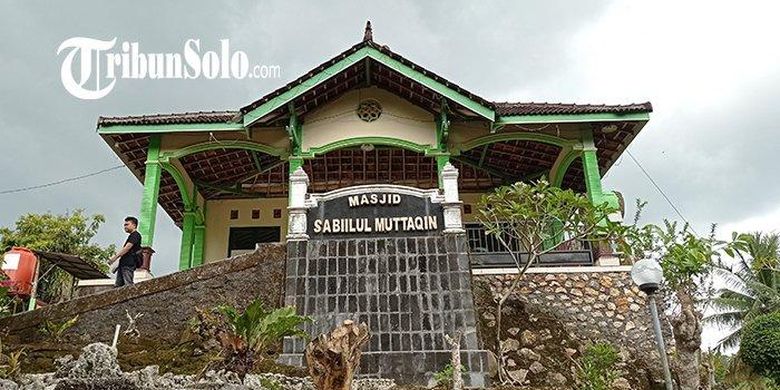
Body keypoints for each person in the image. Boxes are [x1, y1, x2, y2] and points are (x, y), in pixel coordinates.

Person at [109, 216, 142, 287]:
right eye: (124, 225)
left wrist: (115, 258)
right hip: (123, 264)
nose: (125, 227)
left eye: (127, 224)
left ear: (134, 225)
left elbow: (127, 248)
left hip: (128, 264)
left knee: (128, 284)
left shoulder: (135, 235)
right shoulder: (132, 236)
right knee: (118, 286)